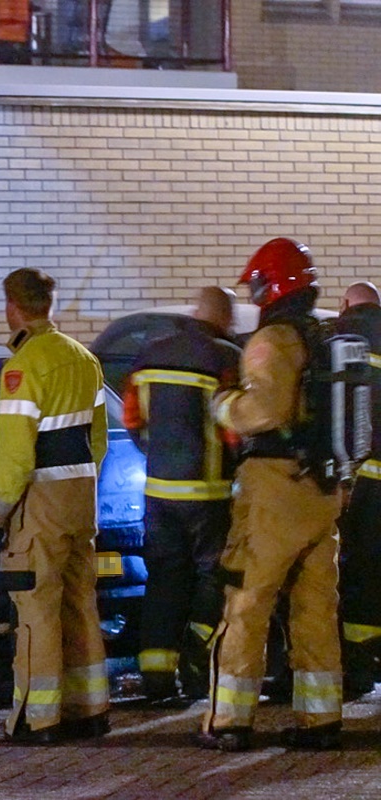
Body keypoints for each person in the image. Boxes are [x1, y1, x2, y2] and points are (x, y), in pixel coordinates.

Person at [198, 238, 344, 752]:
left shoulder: (273, 341)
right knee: (315, 608)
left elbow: (265, 412)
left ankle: (229, 720)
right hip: (323, 489)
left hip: (274, 488)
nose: (253, 294)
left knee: (247, 600)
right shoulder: (324, 337)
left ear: (272, 285)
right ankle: (320, 720)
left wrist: (224, 406)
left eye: (257, 284)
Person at [0, 267, 110, 745]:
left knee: (37, 610)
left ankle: (38, 718)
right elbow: (97, 441)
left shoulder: (24, 367)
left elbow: (14, 456)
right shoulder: (84, 358)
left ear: (12, 305)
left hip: (42, 505)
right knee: (80, 603)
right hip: (81, 500)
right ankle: (90, 710)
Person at [123, 287, 241, 704]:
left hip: (158, 492)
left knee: (165, 578)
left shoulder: (149, 354)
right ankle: (196, 658)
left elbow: (132, 417)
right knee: (215, 574)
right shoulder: (226, 357)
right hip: (210, 494)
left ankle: (156, 675)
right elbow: (234, 431)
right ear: (224, 318)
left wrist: (155, 454)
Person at [335, 281, 381, 698]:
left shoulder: (337, 337)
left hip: (359, 476)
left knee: (358, 571)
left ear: (346, 303)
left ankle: (359, 668)